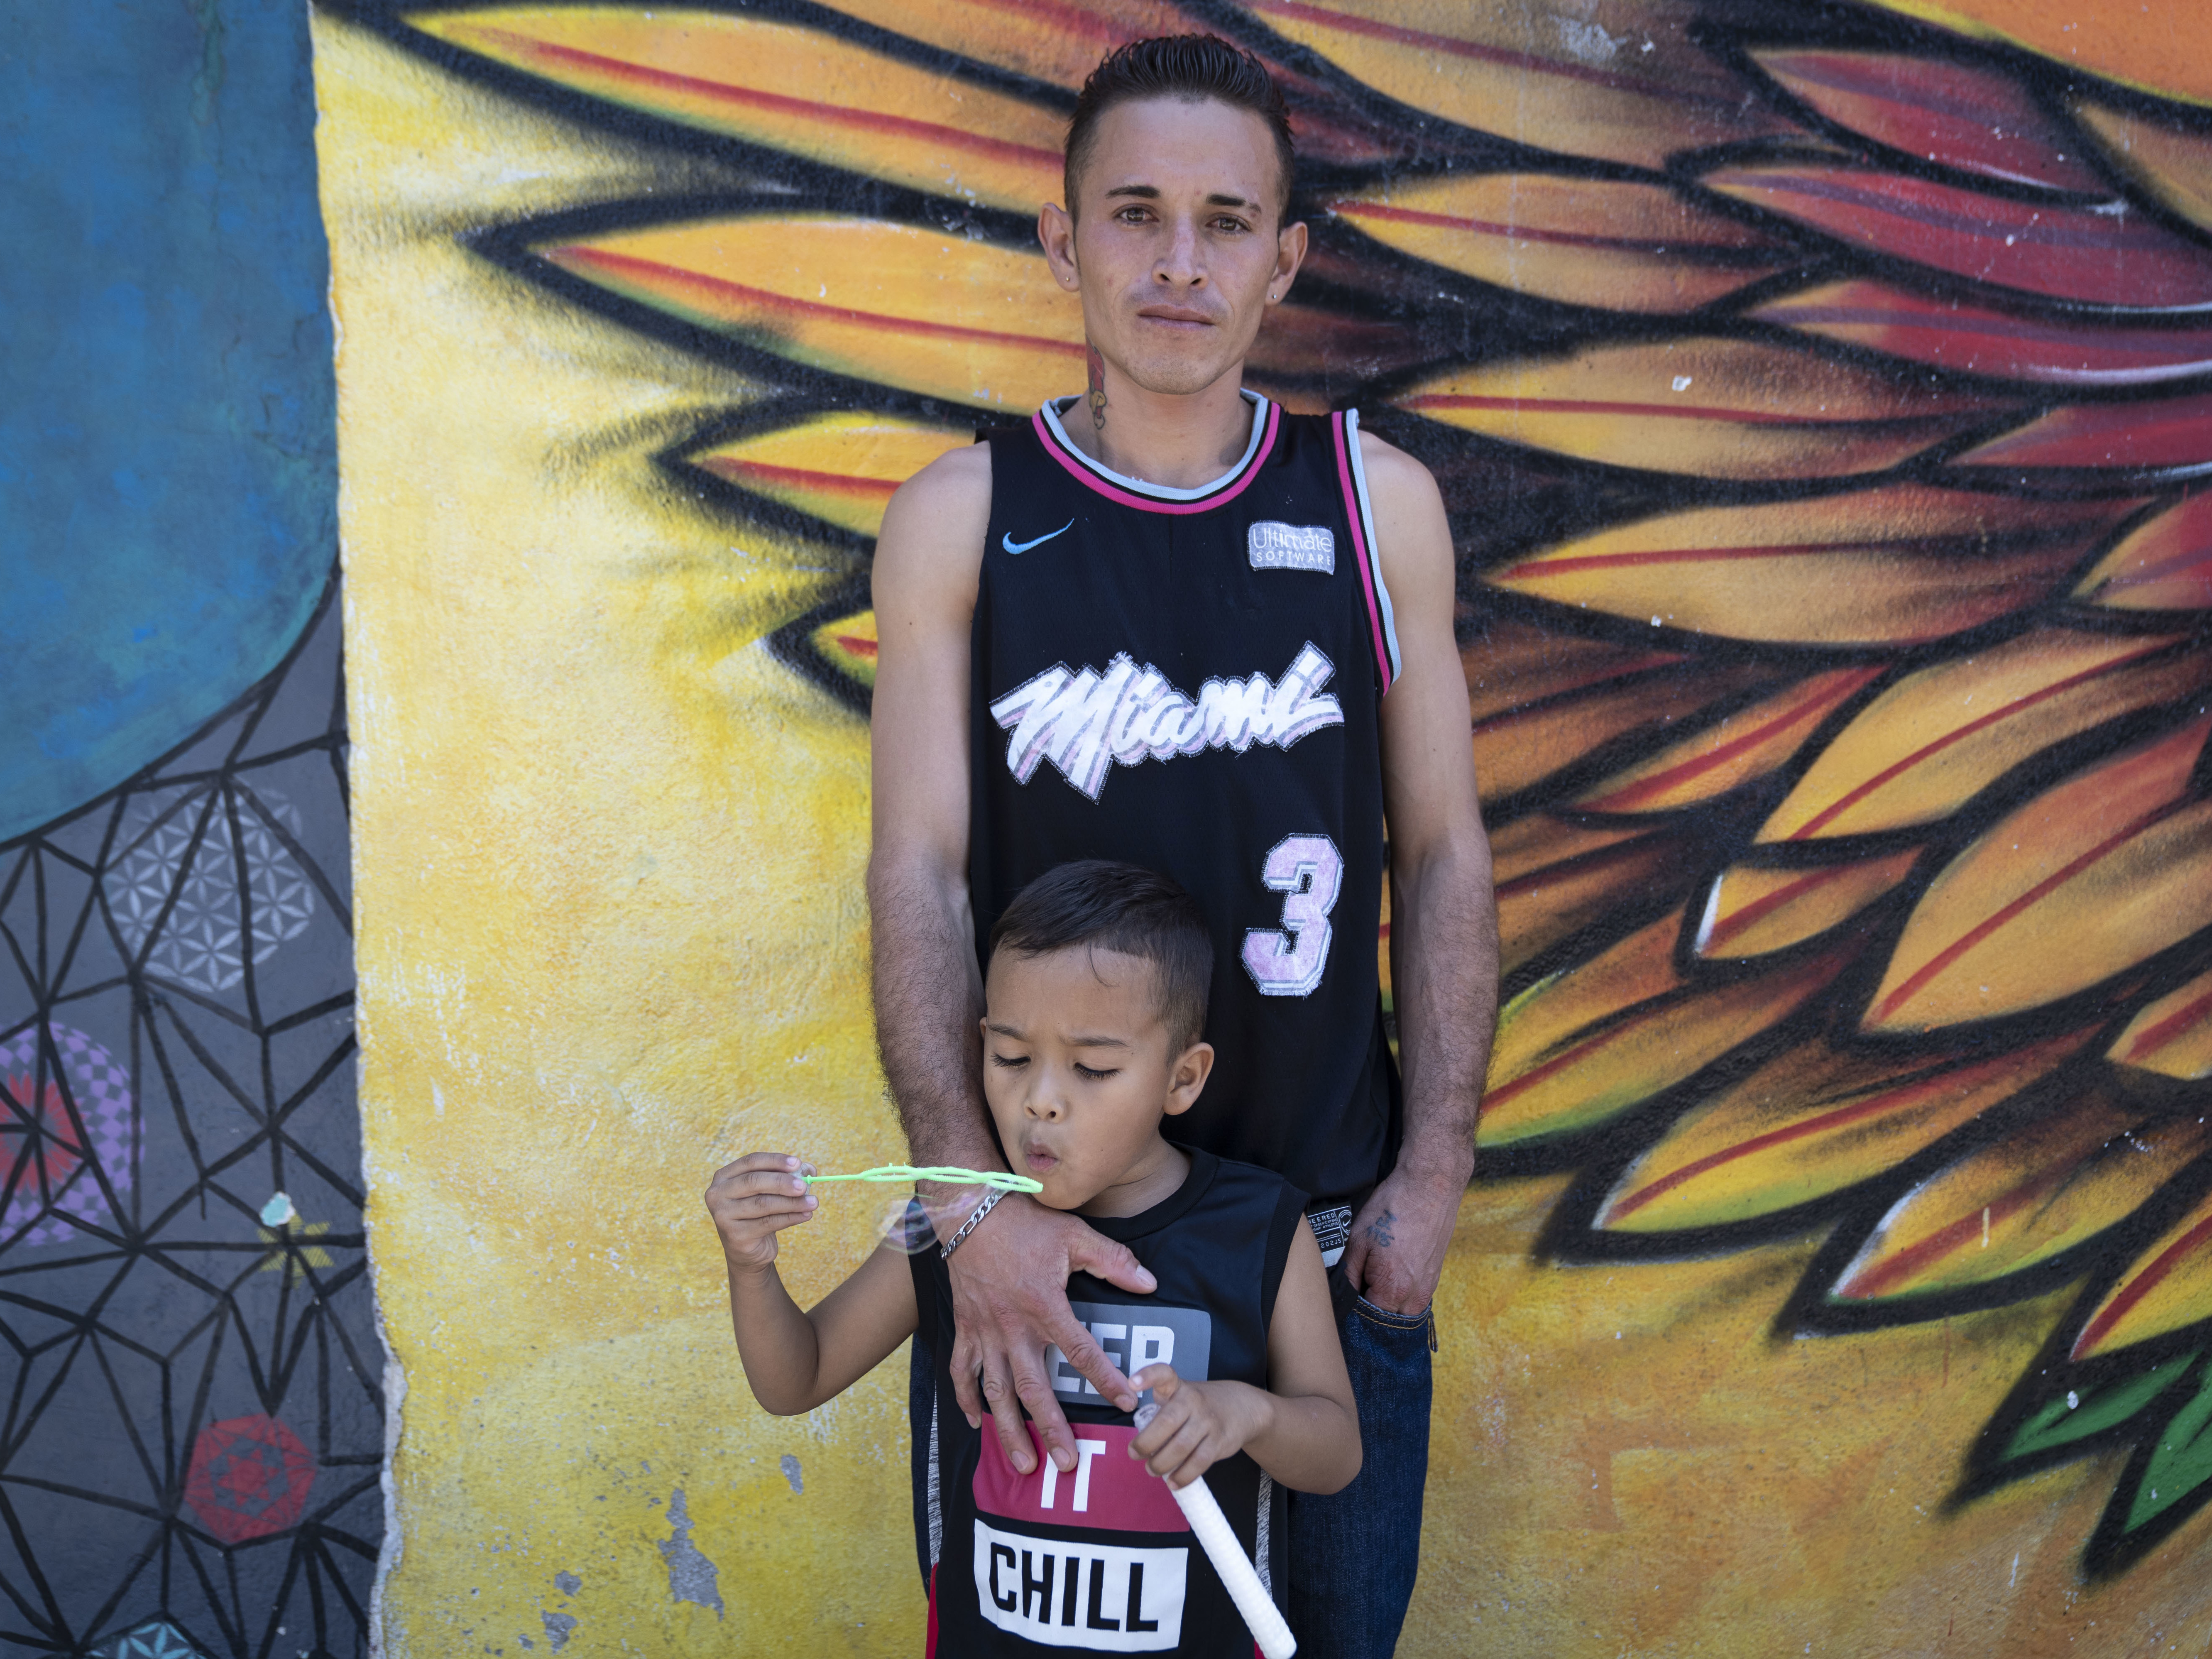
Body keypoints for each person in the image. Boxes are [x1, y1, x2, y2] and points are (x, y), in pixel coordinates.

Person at [868, 33, 1498, 1657]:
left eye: (1226, 221)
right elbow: (919, 873)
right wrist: (967, 1206)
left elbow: (1442, 860)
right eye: (1134, 213)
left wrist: (1430, 1180)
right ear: (1062, 238)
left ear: (1284, 260)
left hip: (1332, 1241)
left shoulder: (1378, 508)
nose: (1177, 260)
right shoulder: (963, 516)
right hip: (1054, 1252)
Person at [708, 861, 1361, 1653]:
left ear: (1182, 1079)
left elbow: (1335, 1453)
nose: (1041, 1099)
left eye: (1093, 1069)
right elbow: (797, 1376)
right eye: (1012, 1059)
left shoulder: (1258, 1229)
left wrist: (1244, 1413)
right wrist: (752, 1264)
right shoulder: (955, 1225)